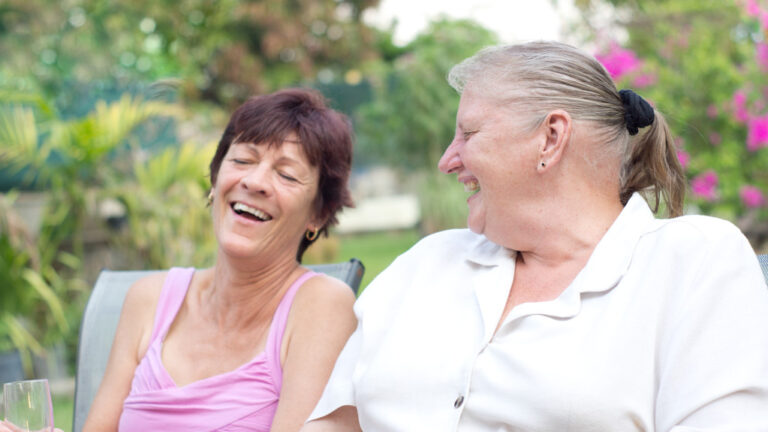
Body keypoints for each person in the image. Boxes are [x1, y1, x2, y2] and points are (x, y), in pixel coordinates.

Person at [302, 41, 768, 431]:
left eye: (469, 133)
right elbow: (336, 423)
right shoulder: (427, 262)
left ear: (550, 138)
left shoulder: (693, 262)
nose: (448, 160)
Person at [83, 88, 358, 432]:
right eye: (242, 160)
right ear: (215, 180)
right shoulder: (147, 300)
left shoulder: (322, 307)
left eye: (286, 175)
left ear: (318, 214)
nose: (255, 182)